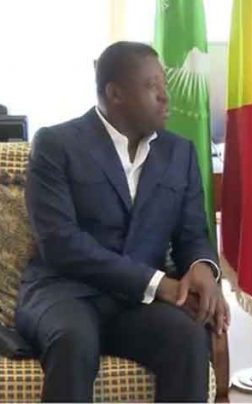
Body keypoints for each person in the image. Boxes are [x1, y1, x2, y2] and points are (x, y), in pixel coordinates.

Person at [15, 41, 229, 402]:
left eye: (164, 84)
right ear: (115, 94)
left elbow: (192, 233)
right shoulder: (56, 144)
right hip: (66, 292)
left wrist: (203, 267)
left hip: (134, 306)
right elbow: (61, 244)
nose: (165, 95)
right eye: (152, 85)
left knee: (188, 337)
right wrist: (157, 284)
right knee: (73, 340)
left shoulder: (179, 153)